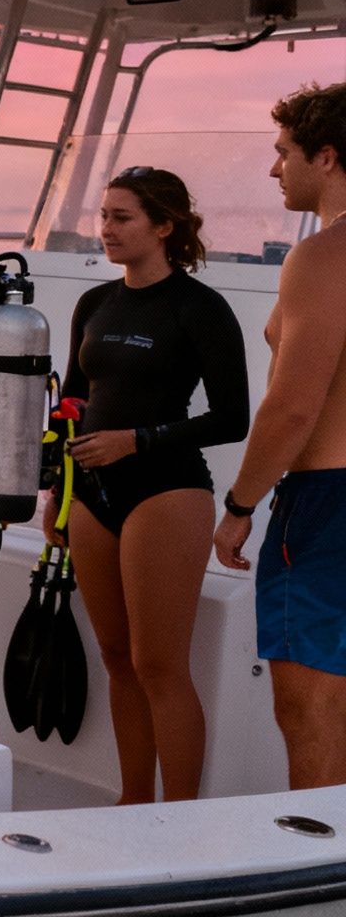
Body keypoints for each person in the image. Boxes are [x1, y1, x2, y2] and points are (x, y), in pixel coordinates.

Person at [49, 167, 247, 802]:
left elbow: (231, 417)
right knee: (116, 658)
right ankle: (133, 803)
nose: (105, 229)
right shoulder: (94, 303)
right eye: (103, 216)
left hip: (167, 492)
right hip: (92, 495)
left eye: (122, 217)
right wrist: (59, 484)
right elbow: (73, 404)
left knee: (160, 665)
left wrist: (136, 441)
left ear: (165, 227)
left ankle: (181, 817)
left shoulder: (200, 308)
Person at [215, 81, 346, 791]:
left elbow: (294, 408)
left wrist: (239, 507)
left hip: (329, 504)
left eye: (284, 153)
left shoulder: (323, 257)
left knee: (312, 714)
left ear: (326, 158)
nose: (275, 170)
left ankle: (320, 883)